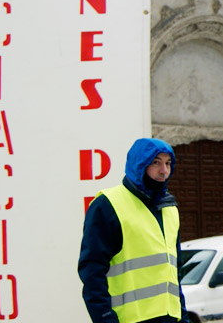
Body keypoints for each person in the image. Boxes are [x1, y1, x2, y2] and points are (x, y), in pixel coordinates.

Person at [78, 137, 188, 323]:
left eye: (168, 163)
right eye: (156, 163)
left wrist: (183, 317)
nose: (164, 171)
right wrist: (105, 318)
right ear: (139, 164)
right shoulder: (108, 205)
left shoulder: (169, 208)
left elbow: (174, 273)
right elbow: (92, 271)